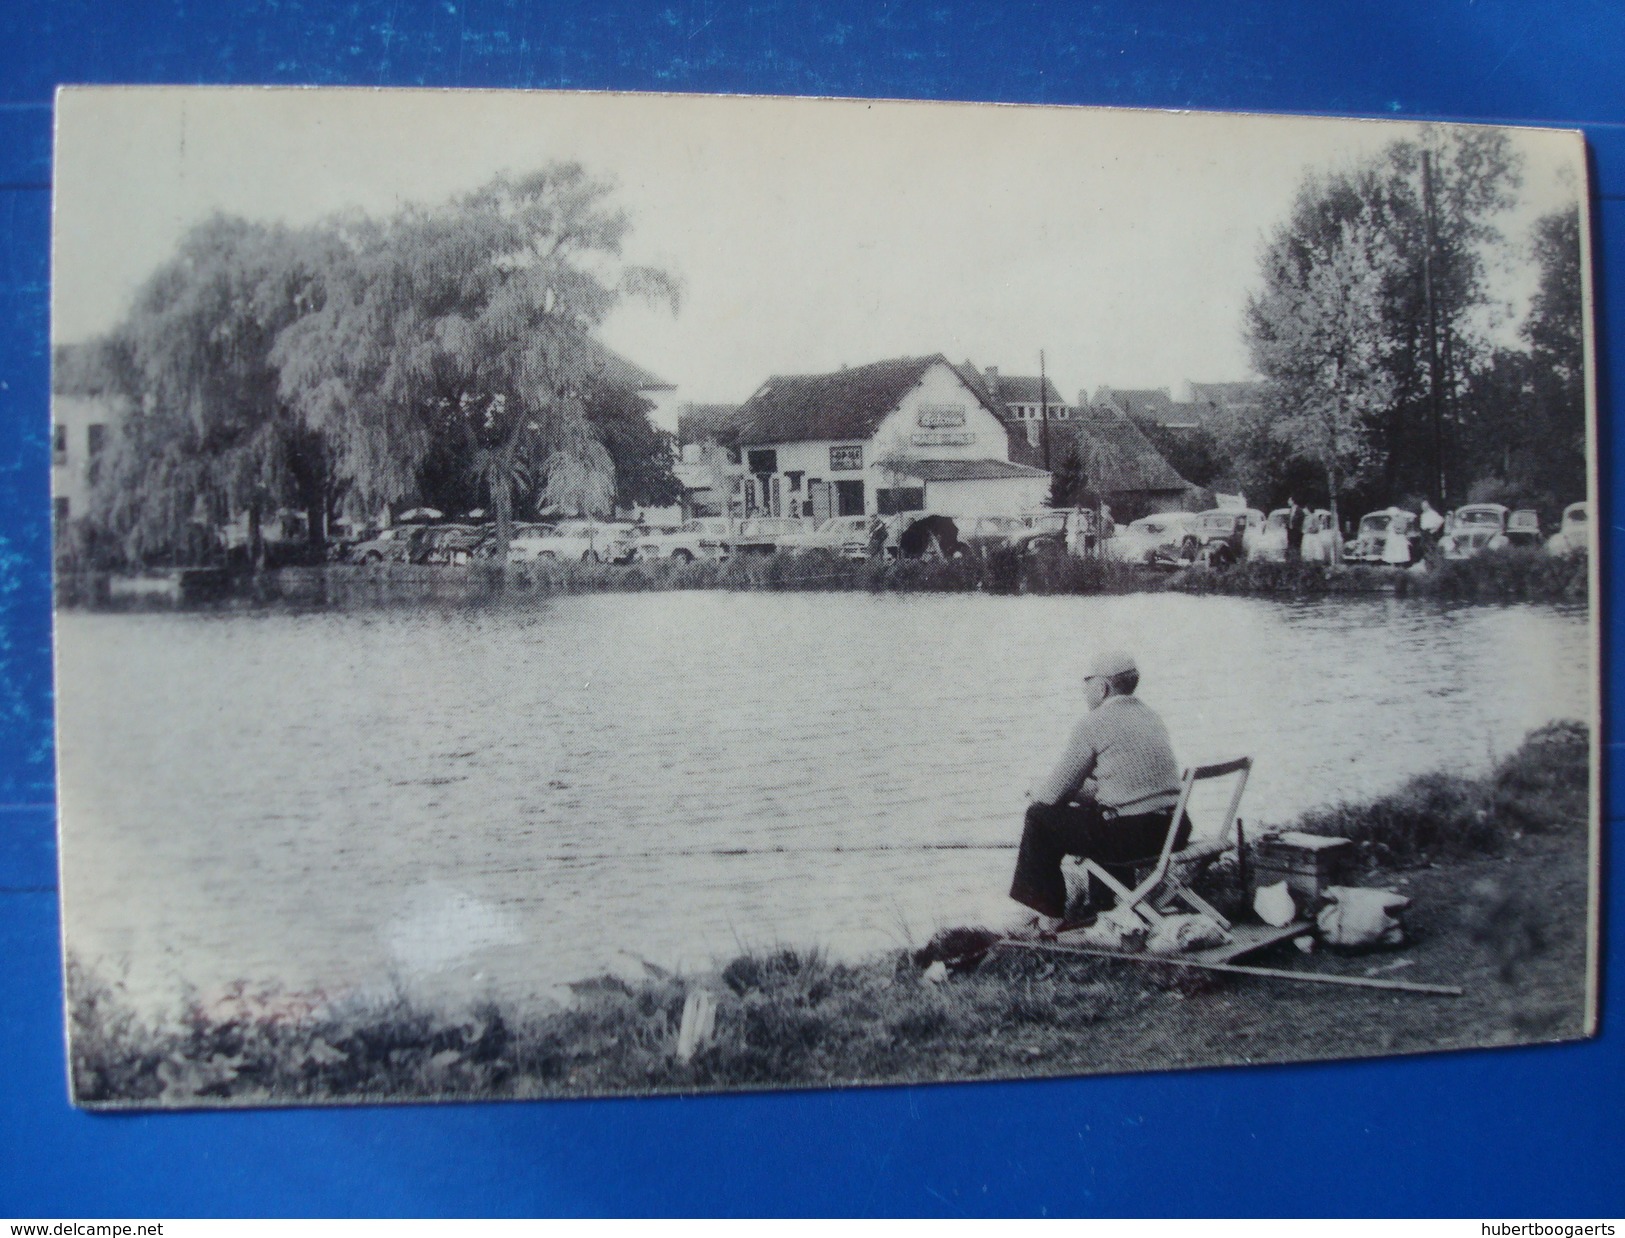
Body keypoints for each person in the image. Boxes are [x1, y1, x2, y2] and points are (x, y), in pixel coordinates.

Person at [1008, 650, 1188, 931]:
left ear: (1102, 687)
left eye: (1086, 681)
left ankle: (1046, 915)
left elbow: (1052, 796)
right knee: (1098, 815)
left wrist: (1037, 788)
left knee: (1038, 817)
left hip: (1135, 836)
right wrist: (1078, 792)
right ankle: (1105, 904)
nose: (1084, 689)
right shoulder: (1151, 717)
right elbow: (1125, 788)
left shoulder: (1093, 723)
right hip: (1174, 829)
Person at [1285, 496, 1305, 563]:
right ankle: (1290, 560)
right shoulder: (1290, 510)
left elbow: (1301, 520)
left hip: (1297, 531)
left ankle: (1297, 560)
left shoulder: (1299, 510)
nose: (1288, 502)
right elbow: (1289, 520)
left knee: (1296, 546)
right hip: (1290, 531)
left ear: (1293, 501)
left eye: (1289, 501)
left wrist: (1298, 528)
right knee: (1290, 545)